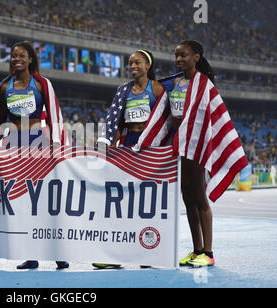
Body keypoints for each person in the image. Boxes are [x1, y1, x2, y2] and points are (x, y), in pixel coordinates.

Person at [133, 40, 248, 267]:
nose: (178, 60)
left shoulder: (204, 84)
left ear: (196, 57)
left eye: (183, 55)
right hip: (180, 146)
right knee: (187, 198)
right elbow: (164, 115)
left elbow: (204, 117)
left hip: (194, 146)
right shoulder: (175, 83)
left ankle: (209, 252)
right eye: (176, 56)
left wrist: (186, 140)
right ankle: (197, 250)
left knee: (199, 197)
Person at [0, 41, 69, 270]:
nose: (16, 59)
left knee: (46, 200)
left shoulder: (42, 83)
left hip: (40, 140)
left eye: (21, 56)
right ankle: (31, 255)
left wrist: (57, 143)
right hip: (14, 143)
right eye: (13, 55)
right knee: (23, 200)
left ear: (30, 59)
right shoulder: (5, 86)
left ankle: (58, 253)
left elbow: (55, 113)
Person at [94, 50, 165, 269]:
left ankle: (148, 252)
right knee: (121, 199)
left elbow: (165, 121)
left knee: (147, 201)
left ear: (148, 64)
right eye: (130, 62)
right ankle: (114, 255)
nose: (132, 65)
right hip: (127, 144)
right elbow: (114, 121)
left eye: (137, 62)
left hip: (150, 146)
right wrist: (107, 143)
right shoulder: (123, 90)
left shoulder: (157, 89)